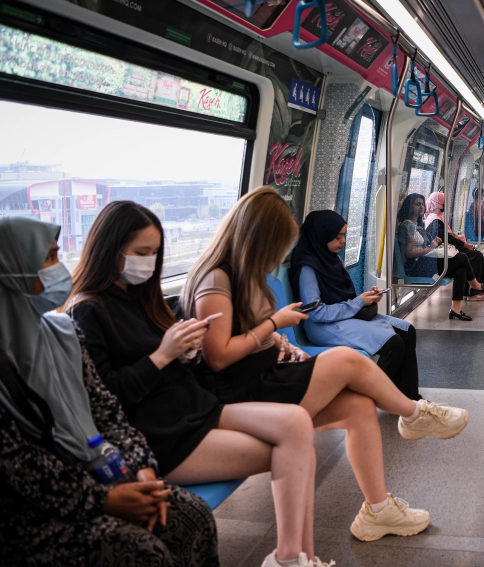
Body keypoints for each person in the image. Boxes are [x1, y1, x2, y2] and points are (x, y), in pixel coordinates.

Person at [182, 188, 470, 541]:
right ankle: (413, 413)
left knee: (361, 407)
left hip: (263, 371)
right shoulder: (216, 280)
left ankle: (377, 512)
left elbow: (250, 329)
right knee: (347, 360)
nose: (278, 256)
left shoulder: (244, 274)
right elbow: (219, 355)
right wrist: (275, 325)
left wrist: (281, 342)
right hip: (239, 389)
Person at [67, 201, 332, 567]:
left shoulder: (144, 297)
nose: (149, 261)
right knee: (294, 451)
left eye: (155, 253)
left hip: (192, 406)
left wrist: (186, 352)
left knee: (297, 423)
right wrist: (162, 355)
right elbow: (108, 395)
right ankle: (292, 558)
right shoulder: (87, 311)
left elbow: (175, 361)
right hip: (161, 432)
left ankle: (296, 556)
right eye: (141, 252)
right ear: (110, 249)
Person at [0, 216, 218, 566]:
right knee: (141, 553)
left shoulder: (62, 333)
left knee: (192, 518)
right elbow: (19, 465)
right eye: (47, 259)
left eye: (58, 255)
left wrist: (143, 471)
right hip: (33, 507)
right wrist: (106, 500)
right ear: (8, 272)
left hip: (105, 471)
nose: (59, 269)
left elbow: (107, 412)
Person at [290, 209, 421, 400]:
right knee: (393, 344)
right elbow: (316, 313)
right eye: (337, 237)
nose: (342, 241)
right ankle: (374, 399)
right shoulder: (308, 268)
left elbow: (341, 297)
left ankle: (409, 396)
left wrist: (364, 298)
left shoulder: (333, 260)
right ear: (321, 236)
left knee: (407, 331)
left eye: (344, 235)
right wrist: (359, 302)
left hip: (344, 316)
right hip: (323, 325)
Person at [396, 193, 484, 320]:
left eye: (422, 204)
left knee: (460, 270)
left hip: (424, 262)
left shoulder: (418, 225)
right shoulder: (407, 226)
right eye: (417, 204)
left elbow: (422, 245)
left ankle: (455, 310)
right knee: (462, 257)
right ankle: (475, 285)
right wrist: (430, 247)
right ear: (409, 207)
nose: (421, 207)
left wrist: (434, 243)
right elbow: (409, 253)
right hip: (416, 266)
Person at [424, 192, 484, 292]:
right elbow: (446, 238)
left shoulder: (437, 216)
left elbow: (447, 236)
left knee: (474, 255)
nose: (445, 205)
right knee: (475, 256)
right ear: (438, 203)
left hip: (446, 248)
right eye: (443, 202)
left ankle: (472, 289)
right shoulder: (434, 219)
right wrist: (464, 245)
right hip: (440, 254)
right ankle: (475, 290)